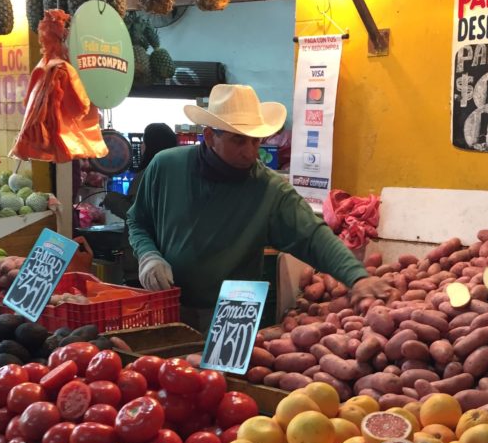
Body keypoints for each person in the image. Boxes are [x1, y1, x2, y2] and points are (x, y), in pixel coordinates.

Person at [126, 84, 392, 330]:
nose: (250, 152)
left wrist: (357, 277)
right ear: (209, 136)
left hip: (236, 309)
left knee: (226, 380)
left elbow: (313, 236)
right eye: (238, 141)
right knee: (165, 375)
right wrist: (149, 255)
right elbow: (138, 221)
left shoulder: (270, 190)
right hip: (168, 303)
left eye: (256, 140)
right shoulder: (166, 167)